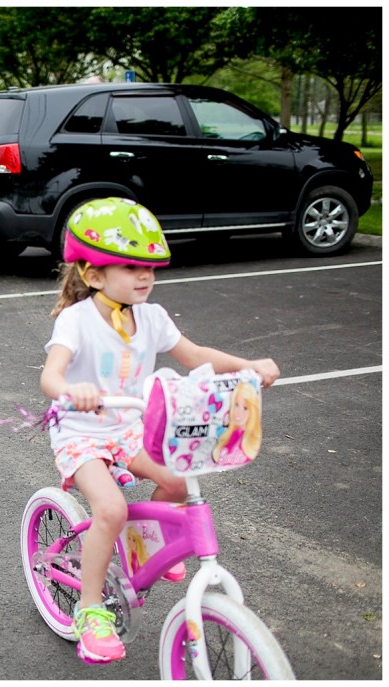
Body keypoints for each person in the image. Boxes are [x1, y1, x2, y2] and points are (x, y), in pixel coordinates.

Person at [39, 197, 280, 665]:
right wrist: (72, 390)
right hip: (81, 432)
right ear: (92, 274)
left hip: (128, 428)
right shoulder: (77, 319)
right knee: (108, 508)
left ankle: (139, 549)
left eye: (149, 266)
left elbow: (193, 355)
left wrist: (249, 366)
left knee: (176, 482)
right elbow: (50, 375)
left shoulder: (151, 316)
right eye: (130, 267)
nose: (145, 276)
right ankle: (91, 612)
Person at [212, 381, 262, 466]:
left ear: (252, 412)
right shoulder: (223, 434)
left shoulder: (252, 442)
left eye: (245, 408)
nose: (239, 413)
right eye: (236, 405)